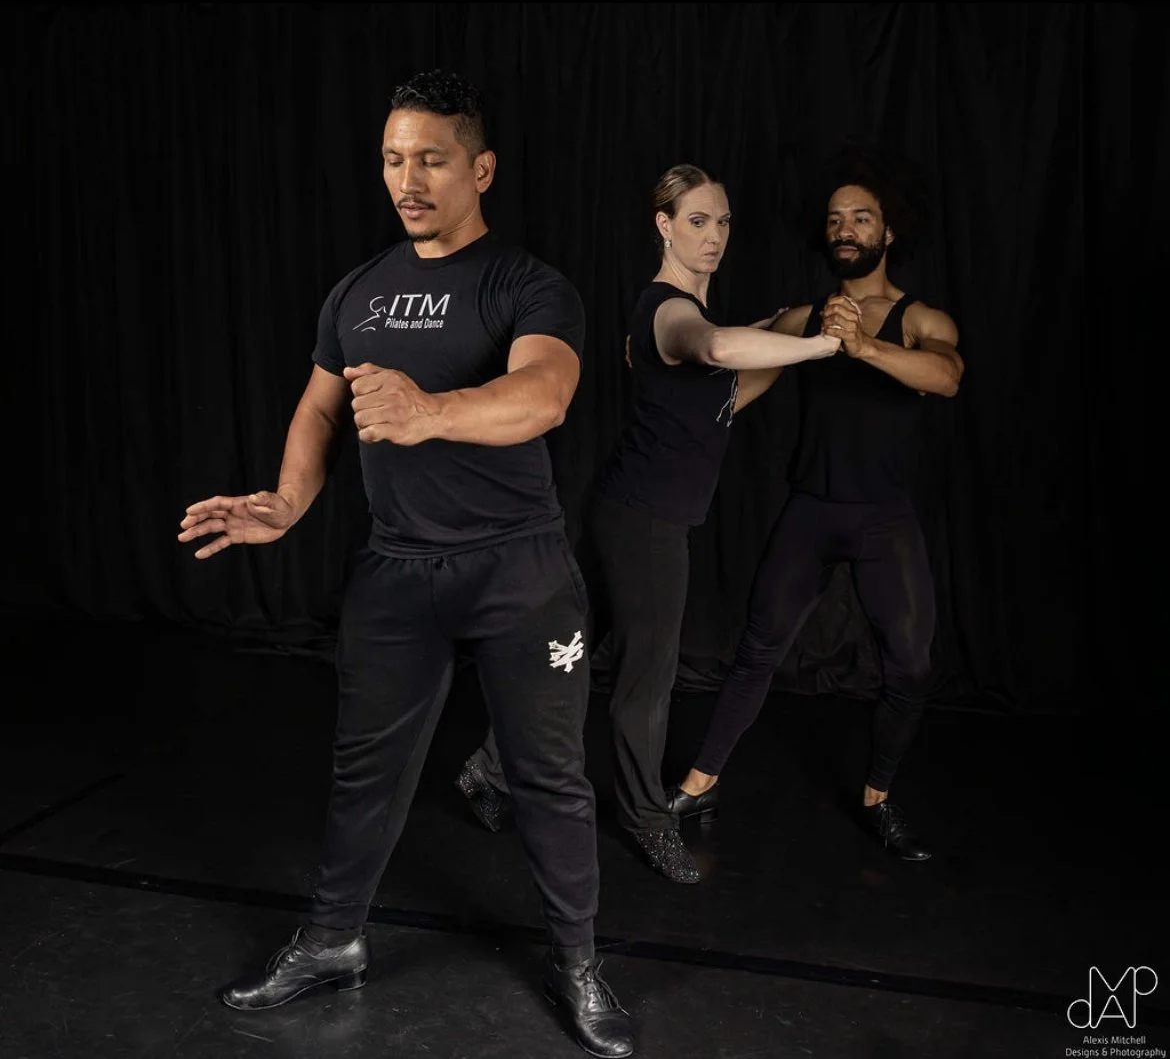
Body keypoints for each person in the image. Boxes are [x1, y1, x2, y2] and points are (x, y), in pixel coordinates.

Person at [177, 70, 633, 1059]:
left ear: (481, 167)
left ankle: (579, 961)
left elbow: (545, 393)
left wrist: (431, 413)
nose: (407, 176)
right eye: (392, 157)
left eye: (429, 156)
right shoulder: (360, 289)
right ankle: (334, 939)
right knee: (363, 773)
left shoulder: (529, 283)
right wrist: (288, 499)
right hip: (396, 574)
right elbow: (321, 405)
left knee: (550, 777)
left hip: (519, 570)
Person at [456, 164, 839, 884]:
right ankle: (645, 816)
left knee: (567, 650)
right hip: (648, 526)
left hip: (623, 509)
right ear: (664, 225)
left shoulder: (690, 315)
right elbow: (719, 348)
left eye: (724, 221)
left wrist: (788, 326)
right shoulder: (668, 311)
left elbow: (725, 395)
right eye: (698, 220)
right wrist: (823, 346)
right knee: (646, 680)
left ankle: (489, 769)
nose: (715, 235)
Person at [670, 144, 964, 862]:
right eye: (836, 218)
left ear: (887, 232)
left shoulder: (921, 317)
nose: (847, 228)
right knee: (756, 649)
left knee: (912, 664)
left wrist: (861, 345)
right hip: (811, 509)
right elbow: (737, 377)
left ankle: (879, 795)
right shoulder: (806, 315)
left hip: (883, 517)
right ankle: (696, 784)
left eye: (862, 217)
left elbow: (946, 377)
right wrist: (670, 374)